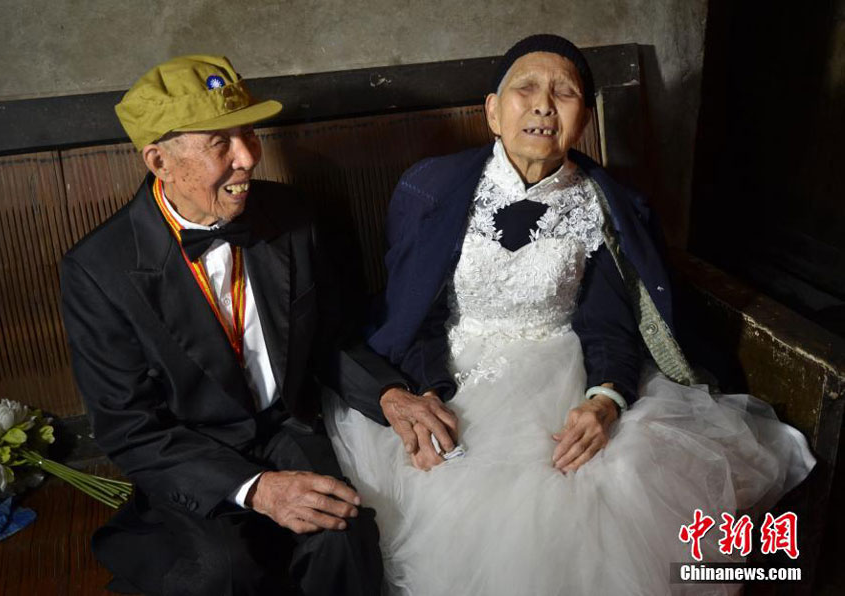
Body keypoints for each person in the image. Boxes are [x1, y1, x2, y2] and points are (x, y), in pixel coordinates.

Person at [323, 35, 816, 595]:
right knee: (464, 488)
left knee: (610, 479)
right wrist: (433, 387)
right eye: (525, 89)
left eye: (564, 93)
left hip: (561, 367)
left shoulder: (606, 206)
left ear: (583, 119)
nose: (542, 105)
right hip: (450, 367)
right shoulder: (428, 188)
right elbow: (413, 311)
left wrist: (605, 399)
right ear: (491, 110)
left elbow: (610, 324)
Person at [61, 54, 413, 596]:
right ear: (159, 161)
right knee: (221, 571)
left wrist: (388, 394)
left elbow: (330, 342)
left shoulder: (293, 214)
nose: (249, 157)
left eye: (248, 133)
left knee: (346, 532)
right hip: (191, 452)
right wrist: (257, 490)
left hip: (290, 428)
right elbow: (130, 429)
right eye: (220, 143)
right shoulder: (98, 270)